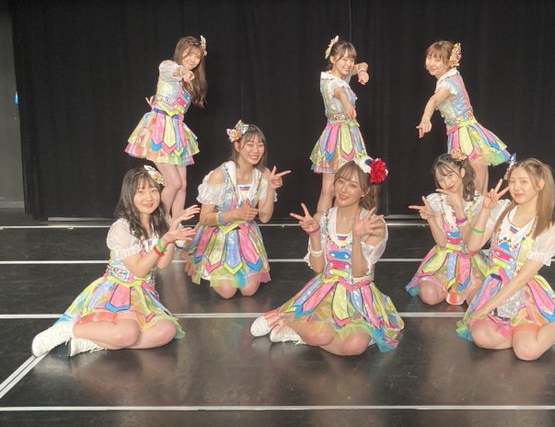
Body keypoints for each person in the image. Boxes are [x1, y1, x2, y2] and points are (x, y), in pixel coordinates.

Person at [31, 166, 198, 357]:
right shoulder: (122, 228)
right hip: (118, 291)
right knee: (127, 333)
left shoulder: (159, 221)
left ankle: (91, 342)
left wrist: (171, 231)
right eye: (140, 192)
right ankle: (68, 330)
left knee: (166, 331)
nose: (149, 197)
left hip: (143, 293)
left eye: (153, 190)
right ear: (129, 195)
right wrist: (165, 240)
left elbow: (162, 264)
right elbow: (139, 270)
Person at [250, 157, 404, 356]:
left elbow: (358, 273)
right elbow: (318, 268)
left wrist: (357, 236)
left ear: (364, 191)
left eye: (352, 185)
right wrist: (314, 234)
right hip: (325, 291)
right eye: (341, 181)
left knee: (355, 346)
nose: (343, 189)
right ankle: (288, 321)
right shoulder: (324, 218)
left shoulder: (375, 224)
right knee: (322, 335)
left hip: (359, 296)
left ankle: (301, 331)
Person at [457, 158, 555, 361]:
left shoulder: (547, 228)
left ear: (540, 184)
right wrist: (486, 210)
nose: (516, 187)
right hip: (494, 287)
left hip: (523, 293)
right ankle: (534, 332)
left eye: (523, 182)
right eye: (513, 181)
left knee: (526, 352)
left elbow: (521, 279)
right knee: (481, 337)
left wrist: (486, 308)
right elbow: (472, 247)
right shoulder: (502, 209)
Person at [187, 121, 290, 299]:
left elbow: (265, 217)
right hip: (219, 236)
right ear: (237, 146)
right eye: (250, 144)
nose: (256, 150)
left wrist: (271, 189)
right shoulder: (220, 175)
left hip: (246, 236)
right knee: (227, 292)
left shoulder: (264, 174)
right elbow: (204, 218)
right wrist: (235, 214)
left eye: (260, 145)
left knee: (248, 290)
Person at [126, 35, 208, 218]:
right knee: (173, 182)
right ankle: (158, 222)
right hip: (161, 129)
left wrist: (160, 102)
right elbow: (170, 70)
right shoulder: (168, 66)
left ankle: (176, 224)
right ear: (180, 51)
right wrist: (183, 72)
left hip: (176, 131)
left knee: (182, 184)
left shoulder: (191, 83)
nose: (193, 59)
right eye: (189, 54)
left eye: (197, 56)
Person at [416, 41, 510, 193]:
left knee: (473, 173)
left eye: (437, 59)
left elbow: (433, 100)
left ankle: (476, 205)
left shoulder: (448, 84)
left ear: (449, 61)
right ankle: (476, 203)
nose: (431, 63)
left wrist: (426, 119)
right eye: (429, 58)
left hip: (465, 133)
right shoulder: (452, 77)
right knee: (474, 172)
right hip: (464, 130)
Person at [406, 153, 486, 306]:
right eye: (441, 179)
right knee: (428, 295)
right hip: (444, 259)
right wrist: (430, 219)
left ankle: (465, 288)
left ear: (462, 172)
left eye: (450, 176)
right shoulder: (437, 201)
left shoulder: (477, 202)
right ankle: (447, 287)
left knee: (476, 301)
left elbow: (470, 243)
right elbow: (442, 242)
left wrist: (459, 208)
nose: (446, 182)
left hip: (470, 259)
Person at [309, 36, 370, 213]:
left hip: (347, 132)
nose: (349, 63)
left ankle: (338, 223)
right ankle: (324, 223)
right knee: (330, 188)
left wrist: (362, 71)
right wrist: (347, 104)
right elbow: (339, 92)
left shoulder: (342, 75)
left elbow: (363, 64)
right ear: (333, 59)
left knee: (343, 187)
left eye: (351, 59)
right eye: (344, 59)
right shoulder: (330, 82)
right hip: (338, 135)